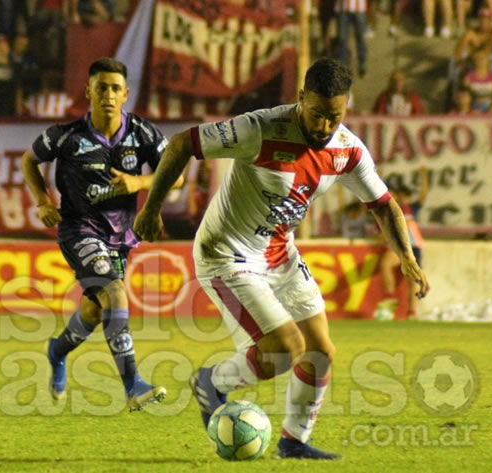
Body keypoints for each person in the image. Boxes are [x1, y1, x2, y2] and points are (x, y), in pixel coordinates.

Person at [134, 58, 429, 459]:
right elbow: (184, 143)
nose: (324, 126)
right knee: (284, 348)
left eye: (335, 116)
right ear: (301, 97)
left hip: (279, 251)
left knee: (320, 352)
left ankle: (293, 441)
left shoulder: (347, 151)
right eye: (317, 114)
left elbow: (383, 204)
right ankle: (212, 382)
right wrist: (151, 209)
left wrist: (407, 257)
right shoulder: (259, 129)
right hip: (227, 253)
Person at [20, 58, 183, 410]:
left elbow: (177, 174)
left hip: (121, 237)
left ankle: (56, 350)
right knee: (115, 293)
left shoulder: (142, 133)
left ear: (125, 94)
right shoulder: (65, 136)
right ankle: (134, 386)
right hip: (79, 229)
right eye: (101, 88)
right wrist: (42, 201)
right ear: (88, 91)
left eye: (114, 88)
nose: (108, 95)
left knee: (95, 312)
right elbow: (28, 160)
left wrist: (139, 182)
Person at [378, 167, 429, 319]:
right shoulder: (394, 208)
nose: (405, 198)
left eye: (407, 196)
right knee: (385, 264)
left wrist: (424, 177)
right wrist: (377, 177)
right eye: (403, 195)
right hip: (399, 245)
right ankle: (390, 297)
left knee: (412, 279)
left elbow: (423, 195)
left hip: (414, 246)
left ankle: (412, 312)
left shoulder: (412, 208)